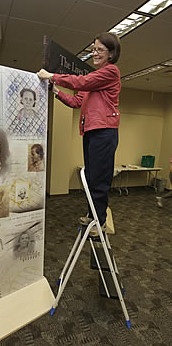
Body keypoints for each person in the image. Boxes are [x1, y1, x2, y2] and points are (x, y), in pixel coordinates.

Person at [37, 32, 121, 236]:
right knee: (92, 177)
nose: (95, 53)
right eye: (93, 49)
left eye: (100, 50)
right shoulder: (94, 80)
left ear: (110, 53)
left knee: (99, 179)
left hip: (104, 132)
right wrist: (55, 90)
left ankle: (99, 221)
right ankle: (92, 214)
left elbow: (80, 83)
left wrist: (52, 76)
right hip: (91, 132)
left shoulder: (110, 72)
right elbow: (76, 101)